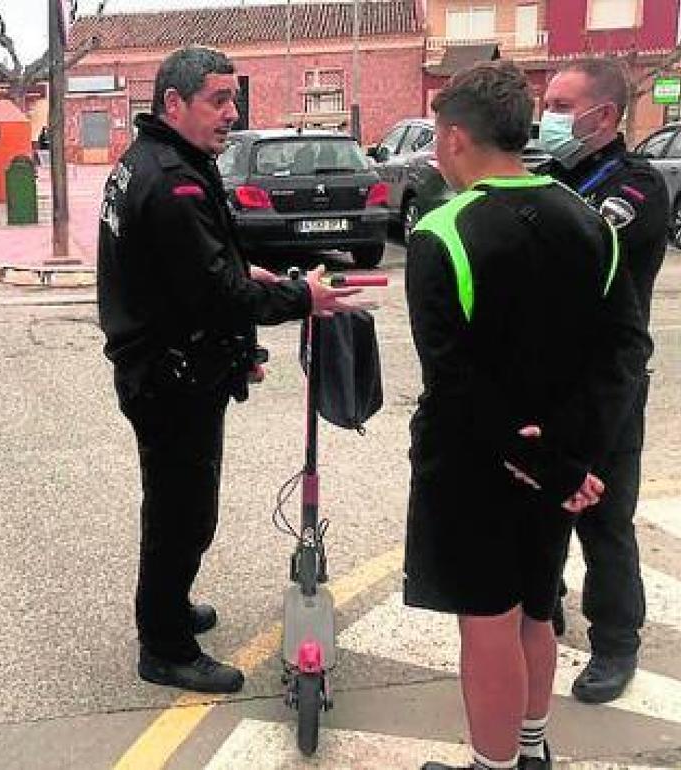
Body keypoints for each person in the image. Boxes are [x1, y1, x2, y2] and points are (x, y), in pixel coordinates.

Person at [403, 61, 648, 770]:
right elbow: (625, 348)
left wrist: (535, 455)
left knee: (487, 622)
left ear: (452, 138)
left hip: (477, 466)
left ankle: (494, 764)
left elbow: (454, 381)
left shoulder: (443, 232)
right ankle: (532, 750)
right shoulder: (588, 221)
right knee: (536, 608)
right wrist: (575, 456)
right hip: (561, 465)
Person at [97, 45, 363, 694]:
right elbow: (218, 294)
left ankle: (169, 604)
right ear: (173, 104)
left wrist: (245, 280)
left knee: (178, 508)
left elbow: (191, 268)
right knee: (182, 515)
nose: (231, 112)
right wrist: (305, 297)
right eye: (217, 100)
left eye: (233, 98)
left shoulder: (153, 161)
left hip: (168, 362)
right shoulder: (173, 182)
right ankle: (163, 644)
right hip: (170, 376)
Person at [537, 58, 670, 704]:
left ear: (604, 116)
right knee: (543, 502)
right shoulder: (552, 175)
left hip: (608, 385)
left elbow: (586, 250)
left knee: (605, 518)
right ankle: (545, 609)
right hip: (548, 381)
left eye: (562, 103)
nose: (548, 112)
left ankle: (616, 642)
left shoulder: (635, 184)